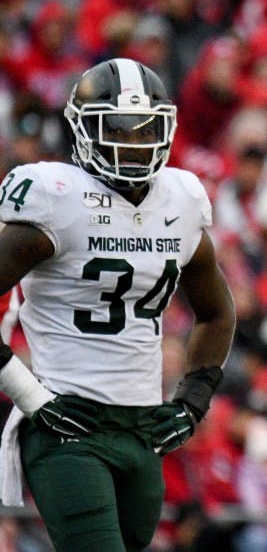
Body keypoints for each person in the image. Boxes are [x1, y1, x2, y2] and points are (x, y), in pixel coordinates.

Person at [0, 58, 236, 551]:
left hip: (141, 428)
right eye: (118, 129)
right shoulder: (56, 197)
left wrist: (193, 398)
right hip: (67, 423)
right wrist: (31, 395)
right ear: (83, 129)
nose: (133, 143)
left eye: (145, 129)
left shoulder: (181, 198)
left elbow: (217, 312)